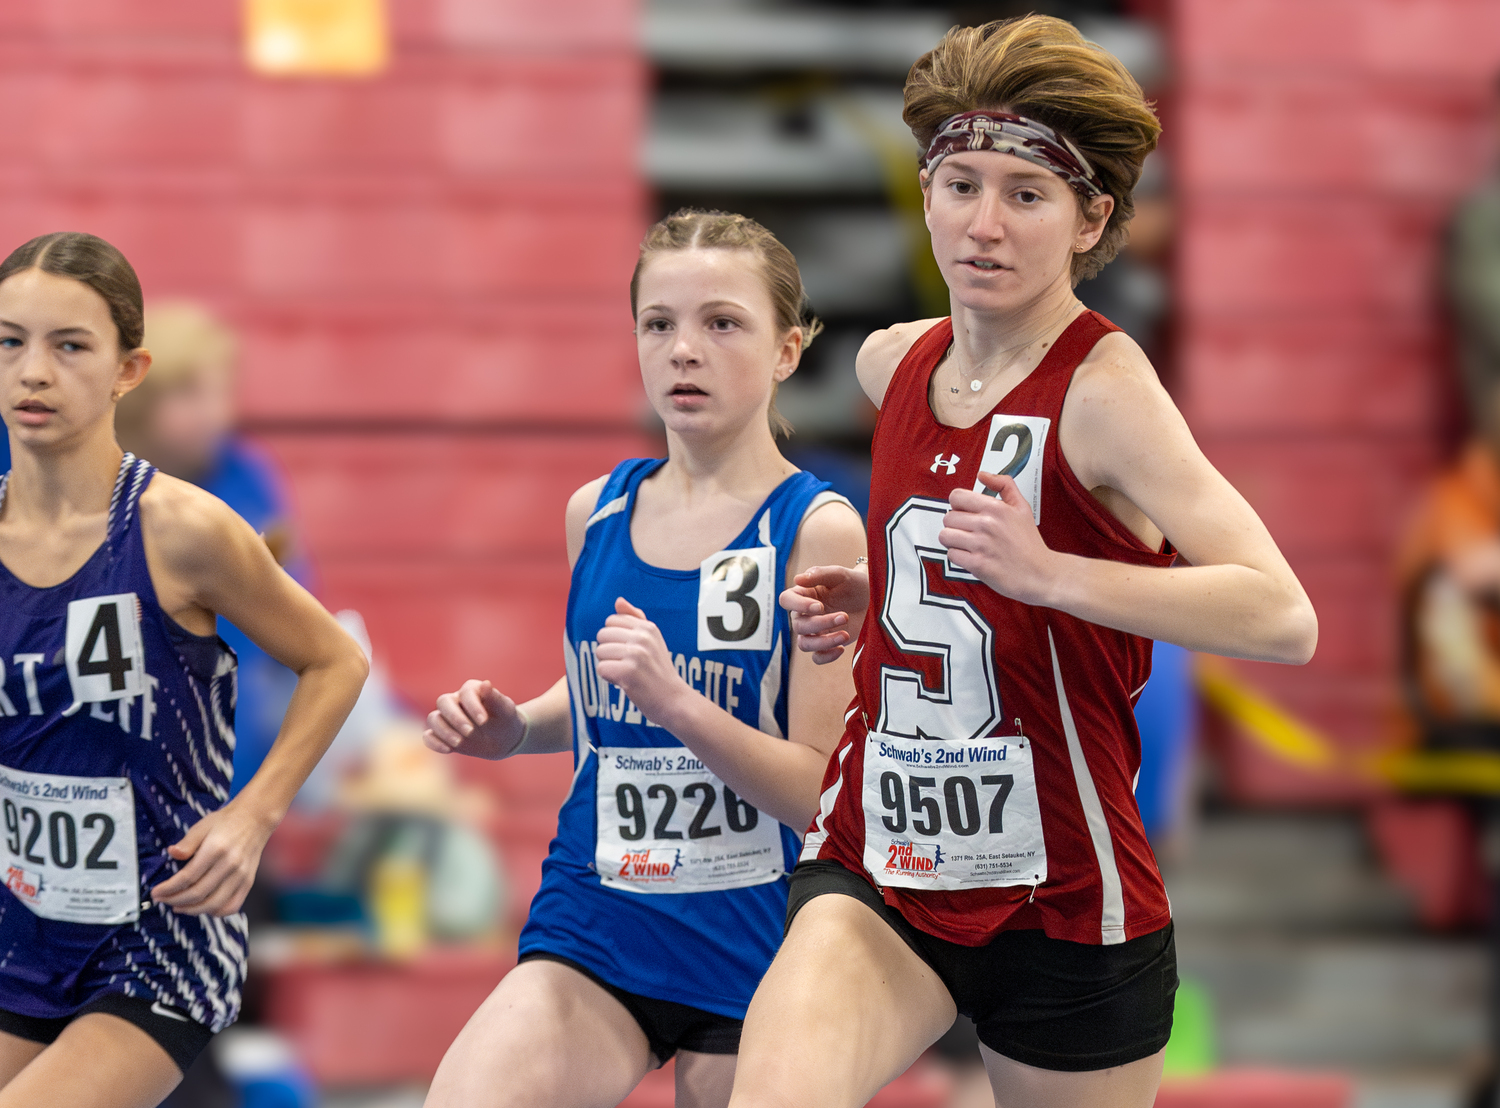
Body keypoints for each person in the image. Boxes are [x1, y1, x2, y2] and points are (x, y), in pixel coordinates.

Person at [734, 17, 1317, 1108]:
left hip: (1063, 895)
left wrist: (1051, 575)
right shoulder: (891, 363)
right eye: (960, 184)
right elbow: (964, 563)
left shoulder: (1105, 393)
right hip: (885, 861)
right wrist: (900, 594)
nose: (984, 224)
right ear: (923, 192)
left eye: (1026, 194)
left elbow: (1282, 615)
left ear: (1091, 217)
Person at [420, 210, 865, 1108]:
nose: (684, 351)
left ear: (787, 350)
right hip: (599, 924)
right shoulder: (600, 511)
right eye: (658, 324)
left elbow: (822, 793)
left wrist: (680, 705)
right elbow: (598, 703)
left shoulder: (815, 528)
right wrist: (516, 729)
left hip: (758, 946)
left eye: (722, 323)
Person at [0, 231, 368, 1108]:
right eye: (10, 341)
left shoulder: (181, 529)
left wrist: (253, 817)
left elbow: (335, 660)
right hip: (24, 931)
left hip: (159, 941)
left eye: (70, 345)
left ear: (130, 370)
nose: (33, 372)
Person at [115, 301, 306, 793]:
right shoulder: (91, 476)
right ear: (137, 396)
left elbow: (301, 606)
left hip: (225, 751)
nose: (214, 413)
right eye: (189, 394)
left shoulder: (246, 476)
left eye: (220, 393)